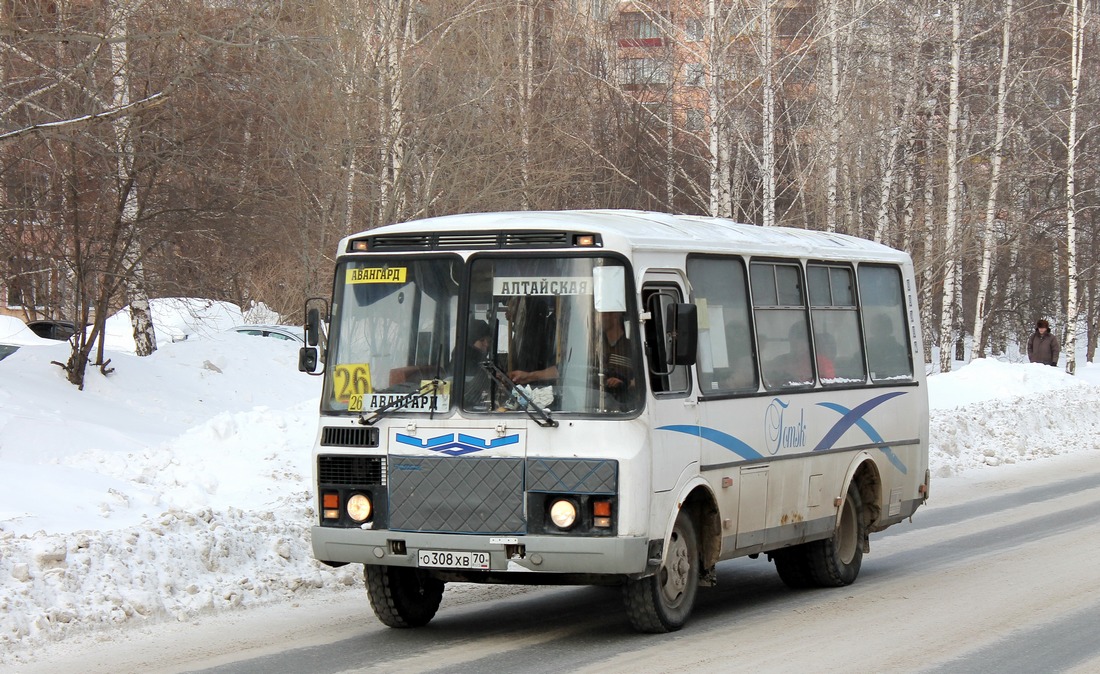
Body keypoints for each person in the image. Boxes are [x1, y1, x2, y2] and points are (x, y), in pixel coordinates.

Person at [460, 319, 493, 407]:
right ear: (471, 341)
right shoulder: (462, 361)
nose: (486, 344)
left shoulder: (484, 361)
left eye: (489, 341)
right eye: (482, 340)